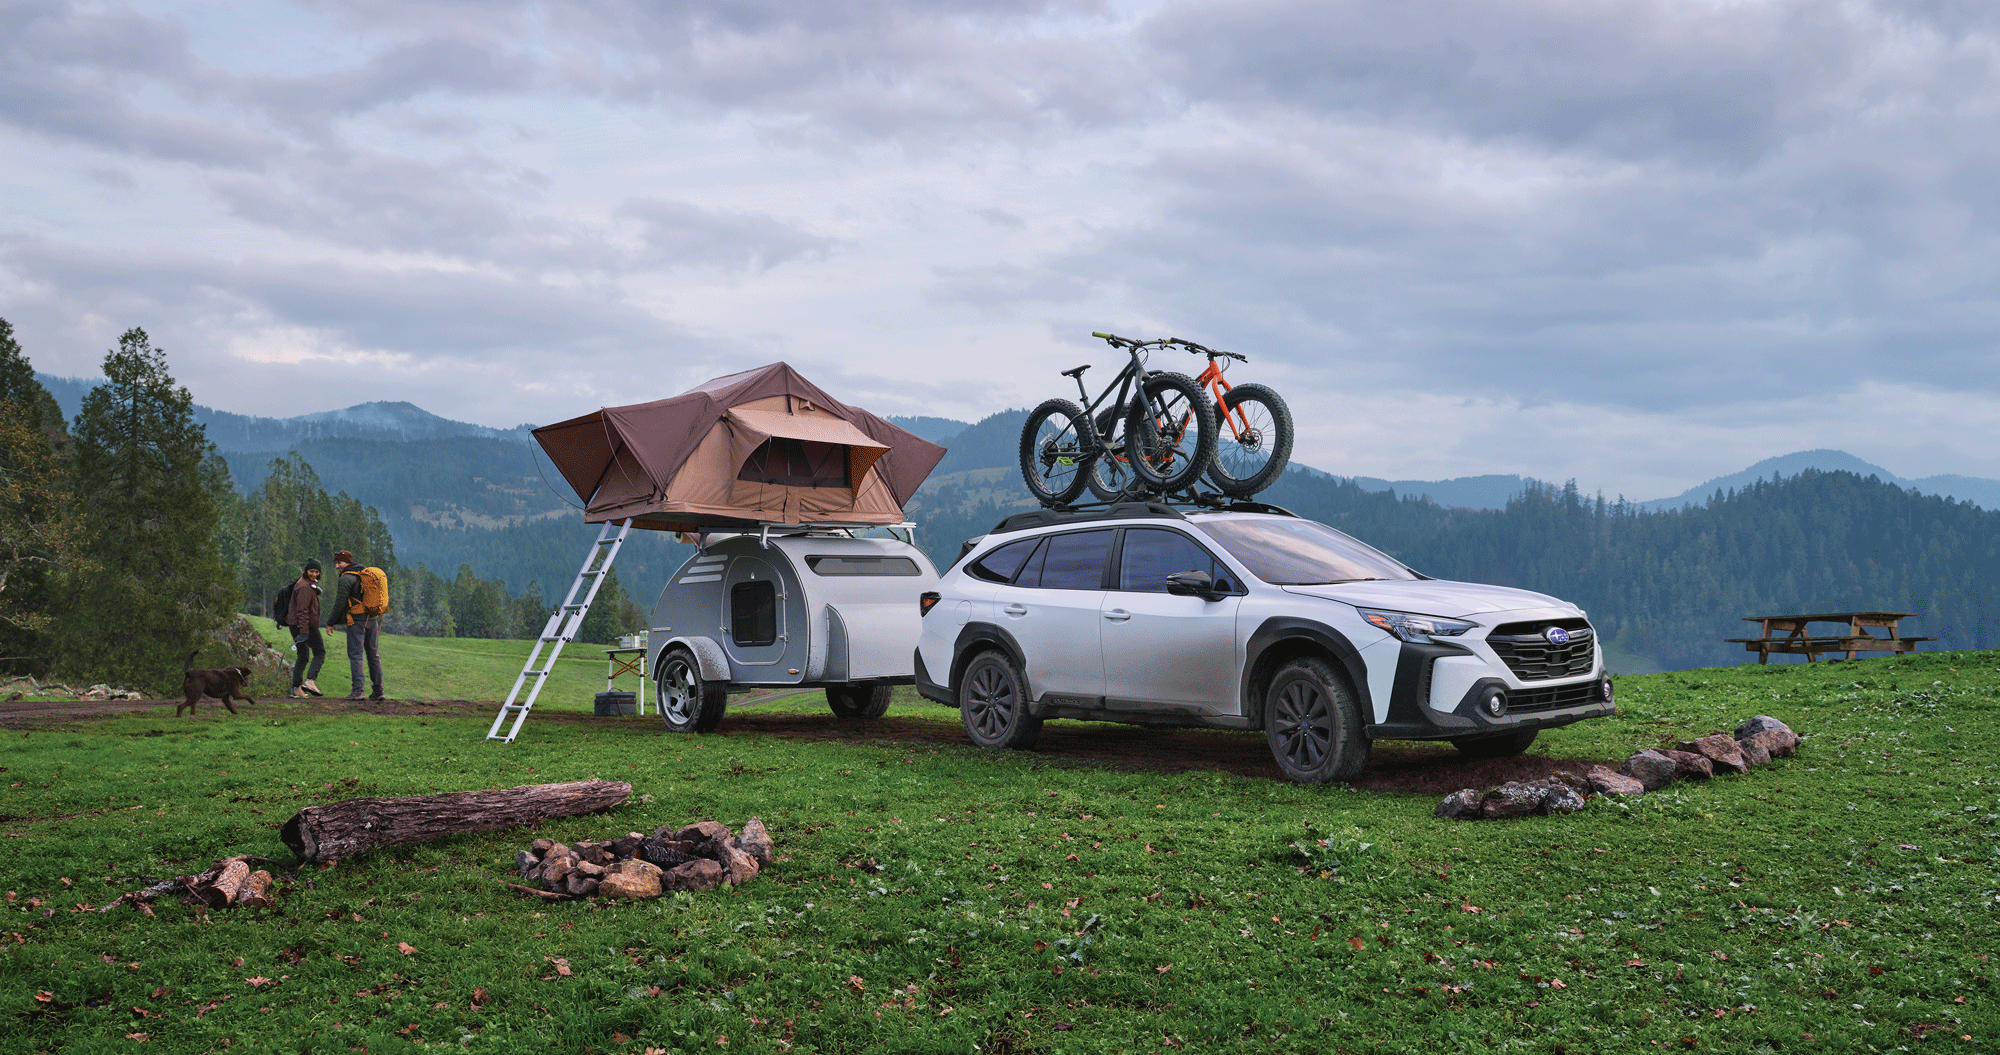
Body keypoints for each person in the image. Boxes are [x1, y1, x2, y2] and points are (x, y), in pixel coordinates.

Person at [327, 550, 385, 701]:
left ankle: (358, 691)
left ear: (348, 562)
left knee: (356, 655)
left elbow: (339, 603)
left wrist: (330, 622)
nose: (337, 566)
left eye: (339, 562)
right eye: (336, 563)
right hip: (372, 619)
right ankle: (378, 691)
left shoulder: (346, 578)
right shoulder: (365, 574)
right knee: (373, 655)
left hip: (357, 621)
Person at [287, 558, 325, 698]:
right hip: (304, 626)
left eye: (316, 571)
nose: (314, 574)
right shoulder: (303, 586)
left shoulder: (308, 584)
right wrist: (303, 632)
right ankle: (309, 681)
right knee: (319, 652)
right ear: (306, 571)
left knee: (302, 656)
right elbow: (302, 611)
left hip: (299, 625)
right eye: (311, 571)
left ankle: (296, 689)